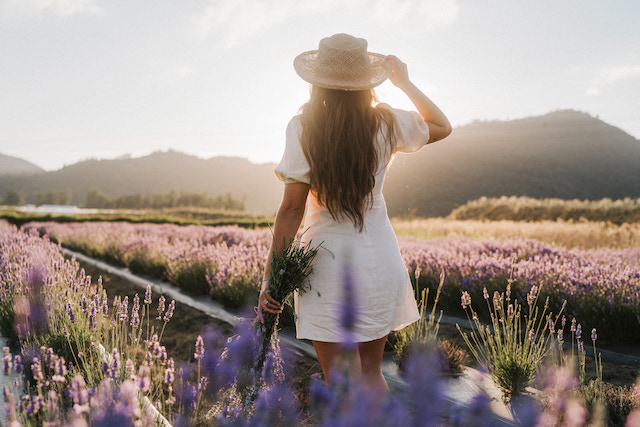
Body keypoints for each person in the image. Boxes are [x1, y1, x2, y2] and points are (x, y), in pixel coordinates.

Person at [258, 33, 451, 393]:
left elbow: (292, 209)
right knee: (371, 374)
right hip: (378, 257)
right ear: (366, 81)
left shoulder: (302, 127)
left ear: (318, 81)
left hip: (324, 263)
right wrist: (405, 82)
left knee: (341, 381)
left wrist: (271, 280)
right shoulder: (386, 121)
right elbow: (442, 126)